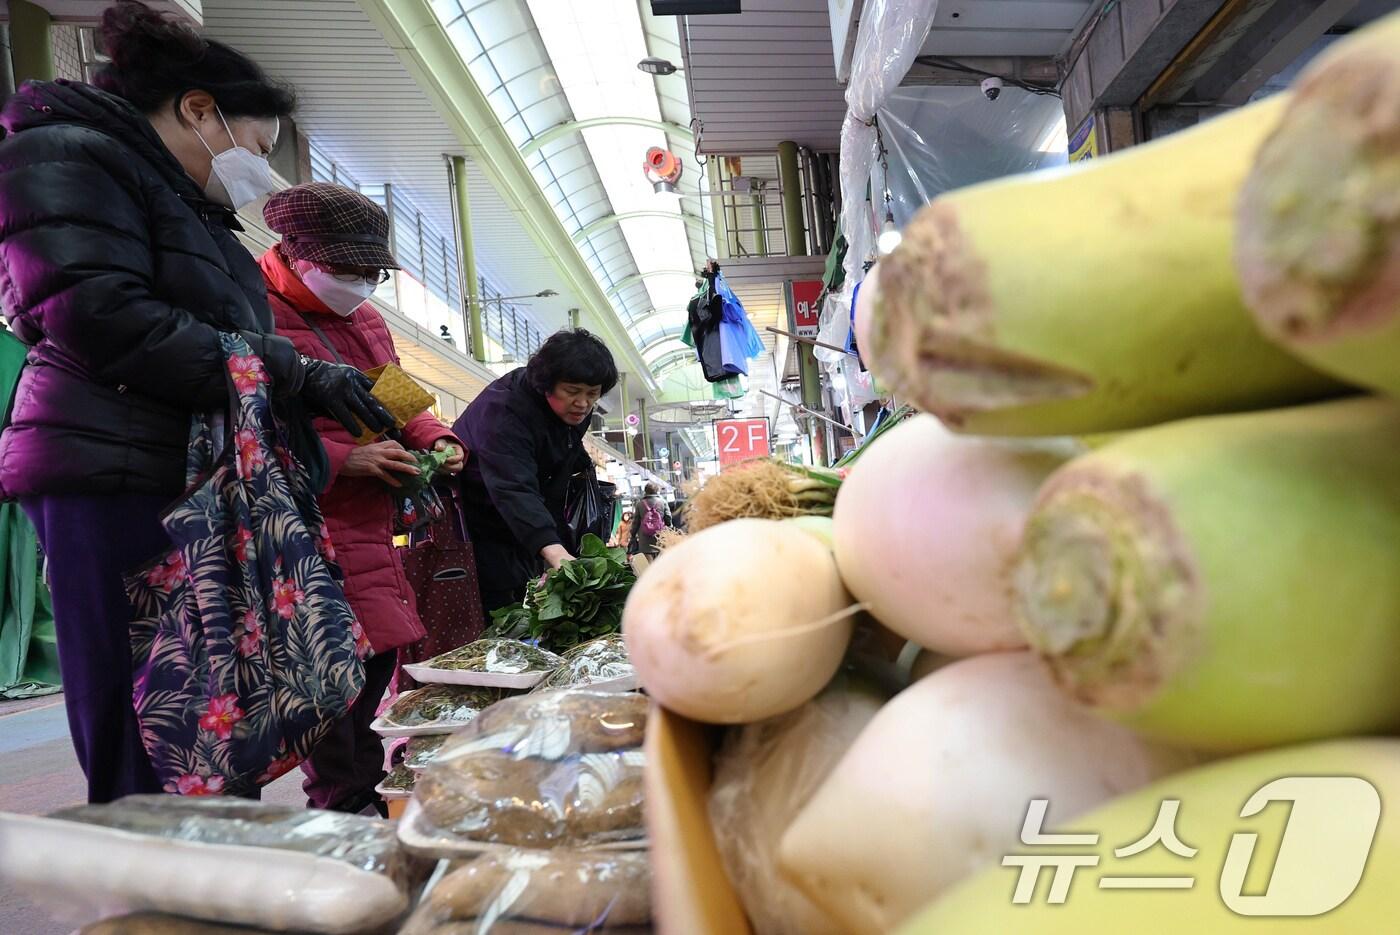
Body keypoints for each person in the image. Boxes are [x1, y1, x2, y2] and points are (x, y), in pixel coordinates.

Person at [0, 1, 391, 803]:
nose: (257, 165)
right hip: (112, 466)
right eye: (256, 144)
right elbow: (96, 314)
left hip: (182, 471)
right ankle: (153, 904)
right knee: (145, 712)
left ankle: (214, 879)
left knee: (214, 710)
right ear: (198, 110)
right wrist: (295, 370)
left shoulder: (187, 203)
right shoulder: (66, 154)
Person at [260, 182, 464, 815]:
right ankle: (342, 815)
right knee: (330, 682)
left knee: (376, 662)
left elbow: (392, 394)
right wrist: (349, 460)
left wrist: (436, 437)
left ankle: (362, 804)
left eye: (372, 271)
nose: (363, 284)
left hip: (369, 526)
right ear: (302, 255)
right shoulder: (254, 311)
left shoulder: (366, 319)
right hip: (302, 526)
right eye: (351, 270)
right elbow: (246, 426)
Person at [453, 330, 618, 613]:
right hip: (477, 522)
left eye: (593, 394)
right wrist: (552, 548)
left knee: (534, 597)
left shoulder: (573, 409)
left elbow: (558, 462)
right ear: (546, 383)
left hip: (524, 523)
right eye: (572, 391)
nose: (583, 403)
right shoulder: (503, 412)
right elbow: (513, 487)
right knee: (501, 606)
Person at [628, 483, 672, 560]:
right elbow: (668, 517)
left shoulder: (640, 504)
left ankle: (652, 570)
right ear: (657, 490)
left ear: (645, 491)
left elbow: (636, 521)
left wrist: (633, 534)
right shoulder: (662, 502)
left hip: (644, 536)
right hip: (660, 534)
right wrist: (669, 528)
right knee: (660, 558)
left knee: (649, 561)